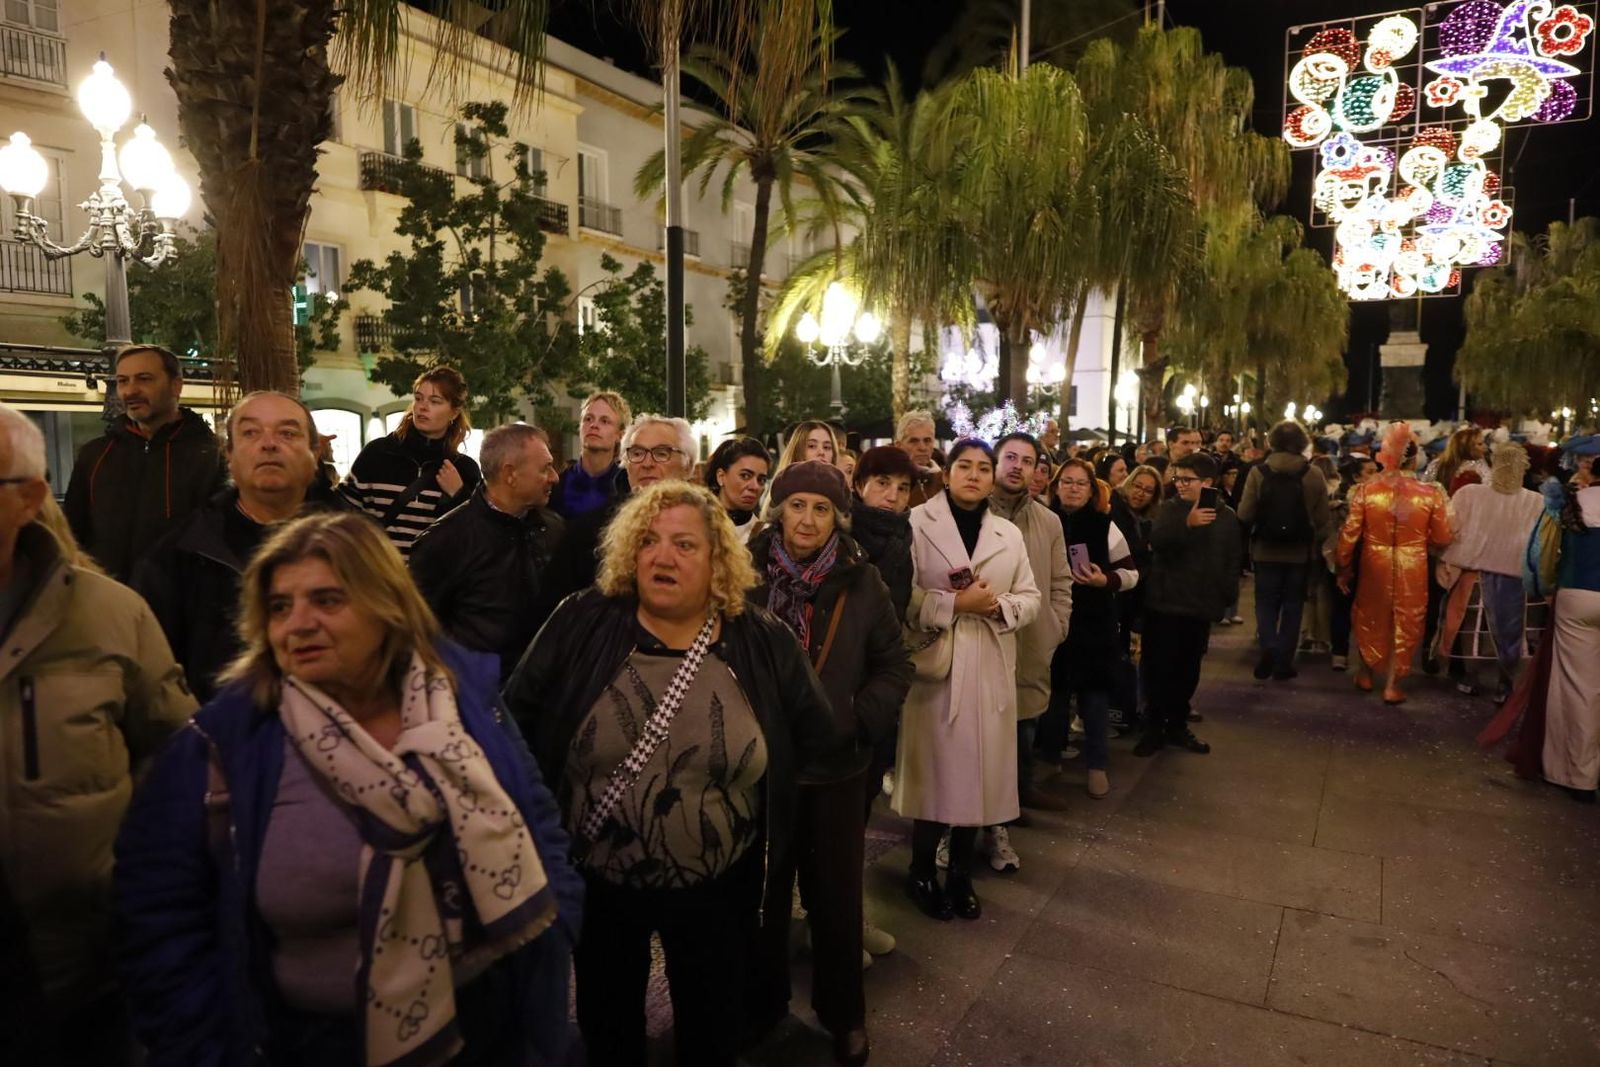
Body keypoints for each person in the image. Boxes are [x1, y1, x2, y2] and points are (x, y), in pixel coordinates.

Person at [115, 511, 582, 1064]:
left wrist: (555, 927)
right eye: (280, 607)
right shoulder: (223, 743)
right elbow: (159, 918)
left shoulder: (462, 700)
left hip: (488, 1031)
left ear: (387, 607)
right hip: (303, 1044)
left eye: (328, 600)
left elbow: (537, 820)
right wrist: (211, 1049)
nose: (299, 624)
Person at [501, 482, 834, 1066]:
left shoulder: (762, 641)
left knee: (711, 1029)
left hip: (720, 882)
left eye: (685, 544)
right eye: (650, 541)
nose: (663, 556)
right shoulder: (582, 621)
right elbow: (517, 717)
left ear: (717, 562)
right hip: (598, 876)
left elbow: (813, 734)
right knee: (608, 1027)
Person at [0, 402, 196, 1064]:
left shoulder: (109, 614)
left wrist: (125, 877)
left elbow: (178, 759)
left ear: (28, 498)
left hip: (87, 967)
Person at [744, 462, 911, 1067]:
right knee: (761, 897)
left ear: (836, 516)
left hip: (838, 770)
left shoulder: (861, 581)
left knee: (837, 902)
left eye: (820, 508)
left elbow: (895, 666)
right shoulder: (744, 576)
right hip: (762, 770)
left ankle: (845, 1017)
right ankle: (762, 1013)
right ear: (778, 511)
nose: (807, 520)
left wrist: (854, 720)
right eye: (796, 507)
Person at [897, 439, 1040, 922]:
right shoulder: (918, 523)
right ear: (948, 471)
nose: (974, 475)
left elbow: (1031, 595)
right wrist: (955, 606)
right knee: (935, 775)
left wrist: (1001, 608)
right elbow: (905, 594)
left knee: (979, 776)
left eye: (983, 467)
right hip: (940, 665)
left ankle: (960, 873)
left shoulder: (1007, 533)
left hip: (991, 663)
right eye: (964, 466)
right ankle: (920, 871)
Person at [134, 391, 342, 702]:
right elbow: (152, 679)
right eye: (250, 433)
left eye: (287, 433)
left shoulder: (357, 547)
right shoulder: (182, 553)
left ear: (315, 454)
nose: (269, 444)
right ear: (229, 454)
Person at [409, 423, 564, 683]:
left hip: (543, 698)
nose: (554, 477)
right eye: (545, 468)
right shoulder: (446, 540)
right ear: (510, 474)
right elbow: (416, 629)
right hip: (475, 701)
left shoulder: (554, 529)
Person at [62, 343, 225, 581]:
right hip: (109, 603)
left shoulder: (212, 456)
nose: (130, 391)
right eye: (123, 381)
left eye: (144, 379)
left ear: (176, 385)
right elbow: (70, 534)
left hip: (182, 609)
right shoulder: (95, 455)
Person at [532, 413, 697, 626]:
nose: (647, 463)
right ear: (626, 464)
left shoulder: (709, 529)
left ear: (688, 465)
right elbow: (552, 616)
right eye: (637, 453)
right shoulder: (587, 532)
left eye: (661, 453)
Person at [988, 433, 1072, 846]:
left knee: (1025, 723)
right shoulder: (973, 512)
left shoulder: (1048, 520)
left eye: (1028, 460)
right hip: (986, 638)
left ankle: (1019, 793)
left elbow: (1061, 580)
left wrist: (1057, 625)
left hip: (1034, 638)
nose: (1018, 466)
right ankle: (988, 808)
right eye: (1010, 457)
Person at [1133, 452, 1241, 758]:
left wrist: (1226, 596)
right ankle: (1153, 729)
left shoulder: (1227, 518)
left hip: (1199, 607)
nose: (1179, 484)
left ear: (1207, 482)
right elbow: (1160, 541)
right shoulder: (1170, 509)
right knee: (1158, 671)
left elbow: (1232, 559)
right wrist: (1188, 524)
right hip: (1165, 604)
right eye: (1177, 477)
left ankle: (1177, 725)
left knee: (1187, 671)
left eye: (1186, 479)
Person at [1337, 422, 1453, 705]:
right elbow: (1441, 536)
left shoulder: (1367, 490)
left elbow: (1349, 534)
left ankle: (1366, 673)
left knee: (1370, 614)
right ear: (1414, 458)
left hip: (1374, 559)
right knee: (1408, 619)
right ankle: (1393, 683)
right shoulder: (1430, 494)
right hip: (1412, 562)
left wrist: (1343, 566)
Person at [1046, 458, 1140, 799]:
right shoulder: (1044, 520)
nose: (1072, 488)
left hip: (1094, 620)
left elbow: (1131, 574)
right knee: (1054, 695)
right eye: (1066, 482)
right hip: (1053, 619)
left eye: (1080, 483)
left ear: (1091, 490)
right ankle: (1050, 759)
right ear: (1056, 487)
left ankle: (1096, 765)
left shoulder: (1105, 526)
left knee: (1095, 696)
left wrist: (1105, 579)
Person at [339, 365, 481, 559]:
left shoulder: (464, 468)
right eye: (418, 398)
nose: (422, 406)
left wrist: (458, 495)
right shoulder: (378, 453)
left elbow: (474, 537)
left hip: (431, 584)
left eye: (435, 401)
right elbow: (340, 513)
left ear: (454, 413)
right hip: (378, 577)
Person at [1439, 441, 1543, 703]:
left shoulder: (1471, 495)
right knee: (1508, 631)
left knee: (1475, 628)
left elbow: (1451, 529)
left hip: (1477, 573)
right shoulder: (1535, 502)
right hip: (1512, 576)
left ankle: (1476, 678)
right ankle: (1503, 683)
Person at [1236, 419, 1331, 681]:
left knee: (1265, 603)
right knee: (1293, 606)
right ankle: (1283, 662)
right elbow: (1324, 520)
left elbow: (1244, 513)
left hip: (1265, 550)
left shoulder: (1259, 473)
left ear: (1272, 442)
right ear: (1302, 443)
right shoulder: (1313, 474)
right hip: (1300, 553)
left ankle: (1268, 645)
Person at [1531, 478, 1600, 802]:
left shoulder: (1573, 502)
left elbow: (1545, 552)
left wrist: (1545, 588)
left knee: (1578, 687)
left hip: (1579, 593)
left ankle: (1578, 775)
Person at [850, 444, 918, 619]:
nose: (892, 497)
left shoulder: (905, 538)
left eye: (902, 488)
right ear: (859, 485)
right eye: (883, 483)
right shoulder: (841, 536)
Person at [551, 391, 632, 518]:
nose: (594, 425)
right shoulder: (557, 486)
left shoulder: (628, 486)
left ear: (620, 435)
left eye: (604, 421)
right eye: (588, 419)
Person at [705, 435, 772, 540]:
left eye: (761, 480)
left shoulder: (766, 537)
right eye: (745, 476)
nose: (755, 486)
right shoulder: (695, 526)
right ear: (721, 476)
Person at [897, 410, 944, 508]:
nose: (922, 447)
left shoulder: (946, 482)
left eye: (927, 440)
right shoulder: (889, 481)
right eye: (914, 441)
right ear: (899, 446)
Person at [774, 419, 843, 473]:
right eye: (812, 446)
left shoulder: (841, 488)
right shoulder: (783, 487)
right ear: (797, 450)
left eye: (826, 447)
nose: (821, 452)